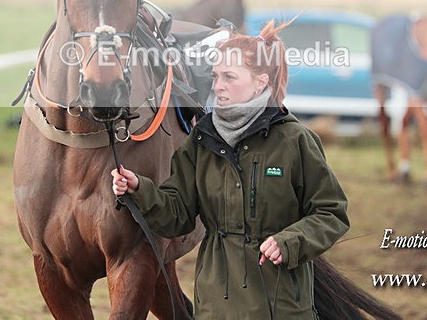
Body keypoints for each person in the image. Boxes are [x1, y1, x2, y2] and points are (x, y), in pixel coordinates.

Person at [112, 21, 350, 319]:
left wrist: (291, 242)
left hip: (281, 307)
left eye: (229, 77)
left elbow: (332, 213)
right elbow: (177, 217)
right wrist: (140, 190)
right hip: (216, 307)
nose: (218, 86)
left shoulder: (295, 141)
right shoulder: (201, 142)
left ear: (260, 82)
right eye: (215, 76)